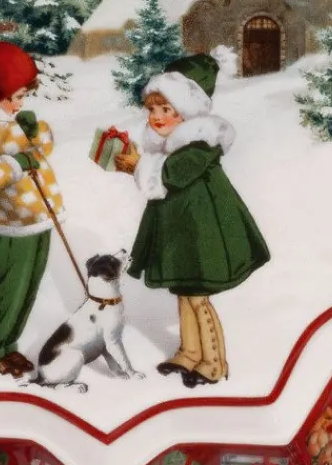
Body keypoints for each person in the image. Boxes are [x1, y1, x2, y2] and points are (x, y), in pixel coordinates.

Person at [114, 53, 269, 388]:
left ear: (186, 111)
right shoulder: (169, 144)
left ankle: (213, 363)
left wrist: (139, 166)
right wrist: (137, 166)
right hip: (182, 232)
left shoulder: (201, 142)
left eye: (165, 109)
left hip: (204, 231)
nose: (156, 117)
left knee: (198, 297)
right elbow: (162, 178)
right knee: (184, 293)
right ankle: (189, 352)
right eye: (152, 109)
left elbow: (175, 174)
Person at [0, 42, 64, 378]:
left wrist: (36, 131)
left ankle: (9, 347)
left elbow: (41, 150)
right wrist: (15, 164)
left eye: (23, 96)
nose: (21, 103)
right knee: (10, 291)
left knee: (29, 289)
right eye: (16, 97)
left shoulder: (12, 123)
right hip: (11, 227)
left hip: (39, 219)